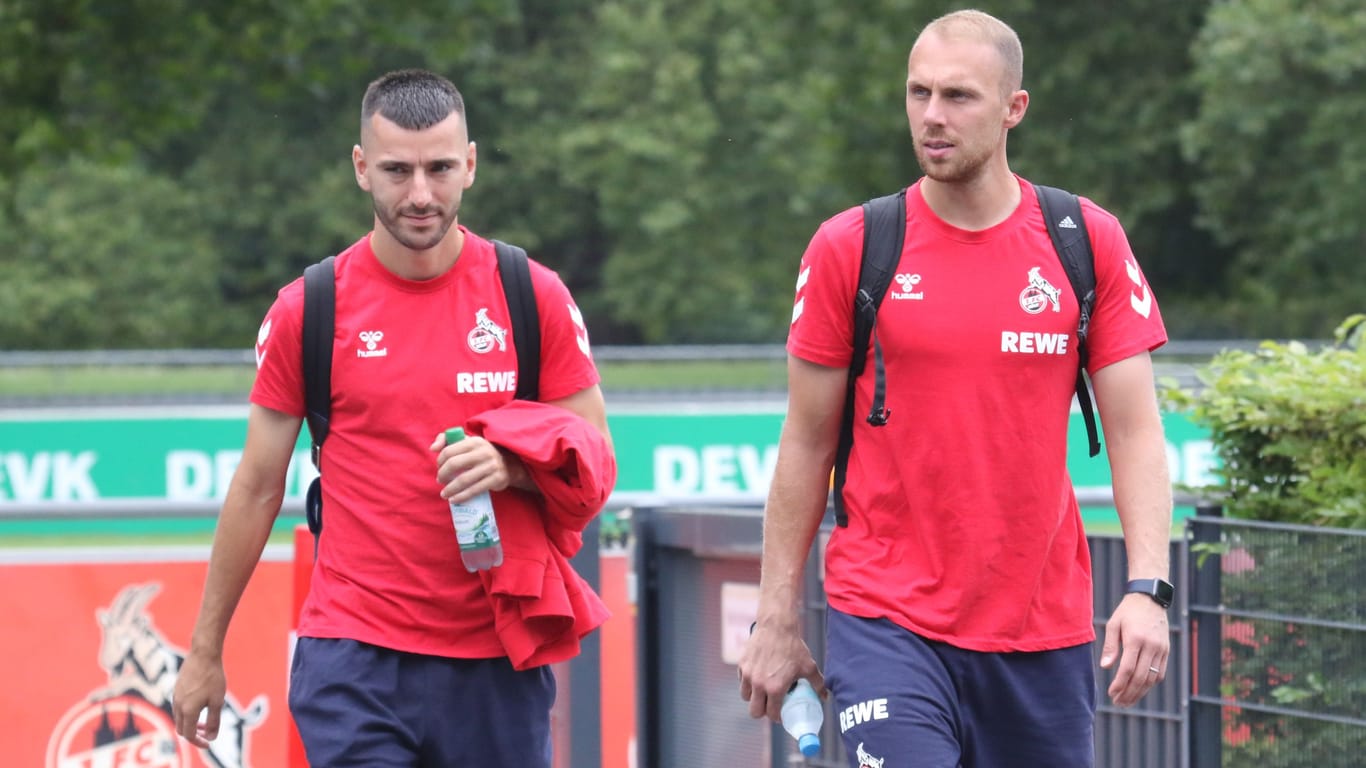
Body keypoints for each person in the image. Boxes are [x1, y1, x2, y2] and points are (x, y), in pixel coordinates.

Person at [737, 10, 1172, 767]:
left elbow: (1135, 431)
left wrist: (1148, 588)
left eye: (959, 97)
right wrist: (776, 616)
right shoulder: (852, 247)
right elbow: (806, 442)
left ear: (1014, 109)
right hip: (887, 622)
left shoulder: (1084, 240)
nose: (932, 117)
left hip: (1041, 632)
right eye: (918, 93)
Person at [171, 69, 615, 766]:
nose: (419, 194)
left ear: (470, 164)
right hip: (354, 660)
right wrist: (204, 651)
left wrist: (513, 469)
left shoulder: (533, 295)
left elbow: (595, 461)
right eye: (396, 170)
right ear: (360, 168)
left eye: (439, 168)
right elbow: (257, 488)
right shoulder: (308, 308)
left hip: (498, 658)